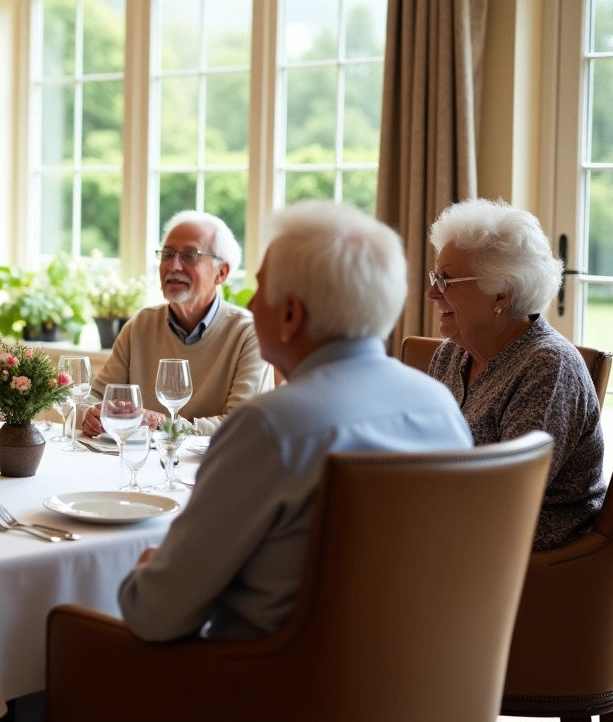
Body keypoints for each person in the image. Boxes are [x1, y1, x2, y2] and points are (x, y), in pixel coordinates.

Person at [117, 201, 473, 641]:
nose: (247, 302)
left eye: (260, 288)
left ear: (290, 315)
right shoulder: (439, 408)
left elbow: (154, 616)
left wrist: (144, 573)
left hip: (273, 690)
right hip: (415, 688)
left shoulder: (269, 429)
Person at [427, 197, 606, 550]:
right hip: (460, 525)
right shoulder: (451, 354)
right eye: (435, 277)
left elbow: (509, 493)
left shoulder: (547, 366)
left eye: (446, 280)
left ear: (500, 294)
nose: (432, 292)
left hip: (528, 550)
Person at [82, 211, 273, 438]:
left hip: (209, 469)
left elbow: (240, 426)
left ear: (221, 273)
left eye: (190, 256)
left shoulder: (250, 333)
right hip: (140, 464)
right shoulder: (140, 326)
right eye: (167, 254)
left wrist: (162, 425)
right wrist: (90, 415)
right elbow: (94, 398)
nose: (174, 266)